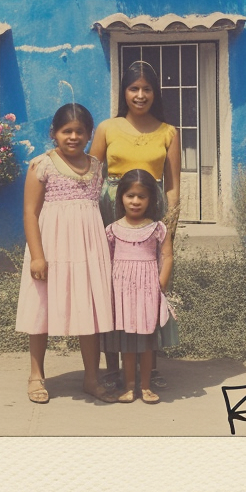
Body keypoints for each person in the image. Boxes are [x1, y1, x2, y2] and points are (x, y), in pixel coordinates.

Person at [15, 103, 117, 404]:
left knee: (90, 308)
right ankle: (36, 375)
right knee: (41, 308)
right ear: (54, 134)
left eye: (80, 132)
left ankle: (91, 378)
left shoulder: (97, 166)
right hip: (52, 245)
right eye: (66, 131)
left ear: (89, 134)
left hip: (88, 246)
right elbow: (30, 213)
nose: (73, 137)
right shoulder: (41, 165)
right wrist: (37, 255)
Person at [90, 60, 180, 390]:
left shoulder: (169, 132)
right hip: (109, 210)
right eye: (133, 88)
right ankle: (112, 364)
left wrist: (170, 224)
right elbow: (91, 175)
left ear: (155, 93)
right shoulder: (106, 128)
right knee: (113, 286)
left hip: (152, 213)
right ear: (123, 92)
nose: (140, 95)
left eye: (146, 89)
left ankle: (148, 365)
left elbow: (172, 184)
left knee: (147, 287)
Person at [104, 170, 177, 404]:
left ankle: (145, 387)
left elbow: (167, 257)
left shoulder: (157, 229)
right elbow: (107, 260)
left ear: (151, 200)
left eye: (141, 197)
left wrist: (160, 286)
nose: (135, 201)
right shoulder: (112, 229)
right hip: (121, 292)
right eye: (130, 196)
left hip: (148, 291)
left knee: (146, 342)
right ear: (121, 198)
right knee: (126, 342)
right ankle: (129, 386)